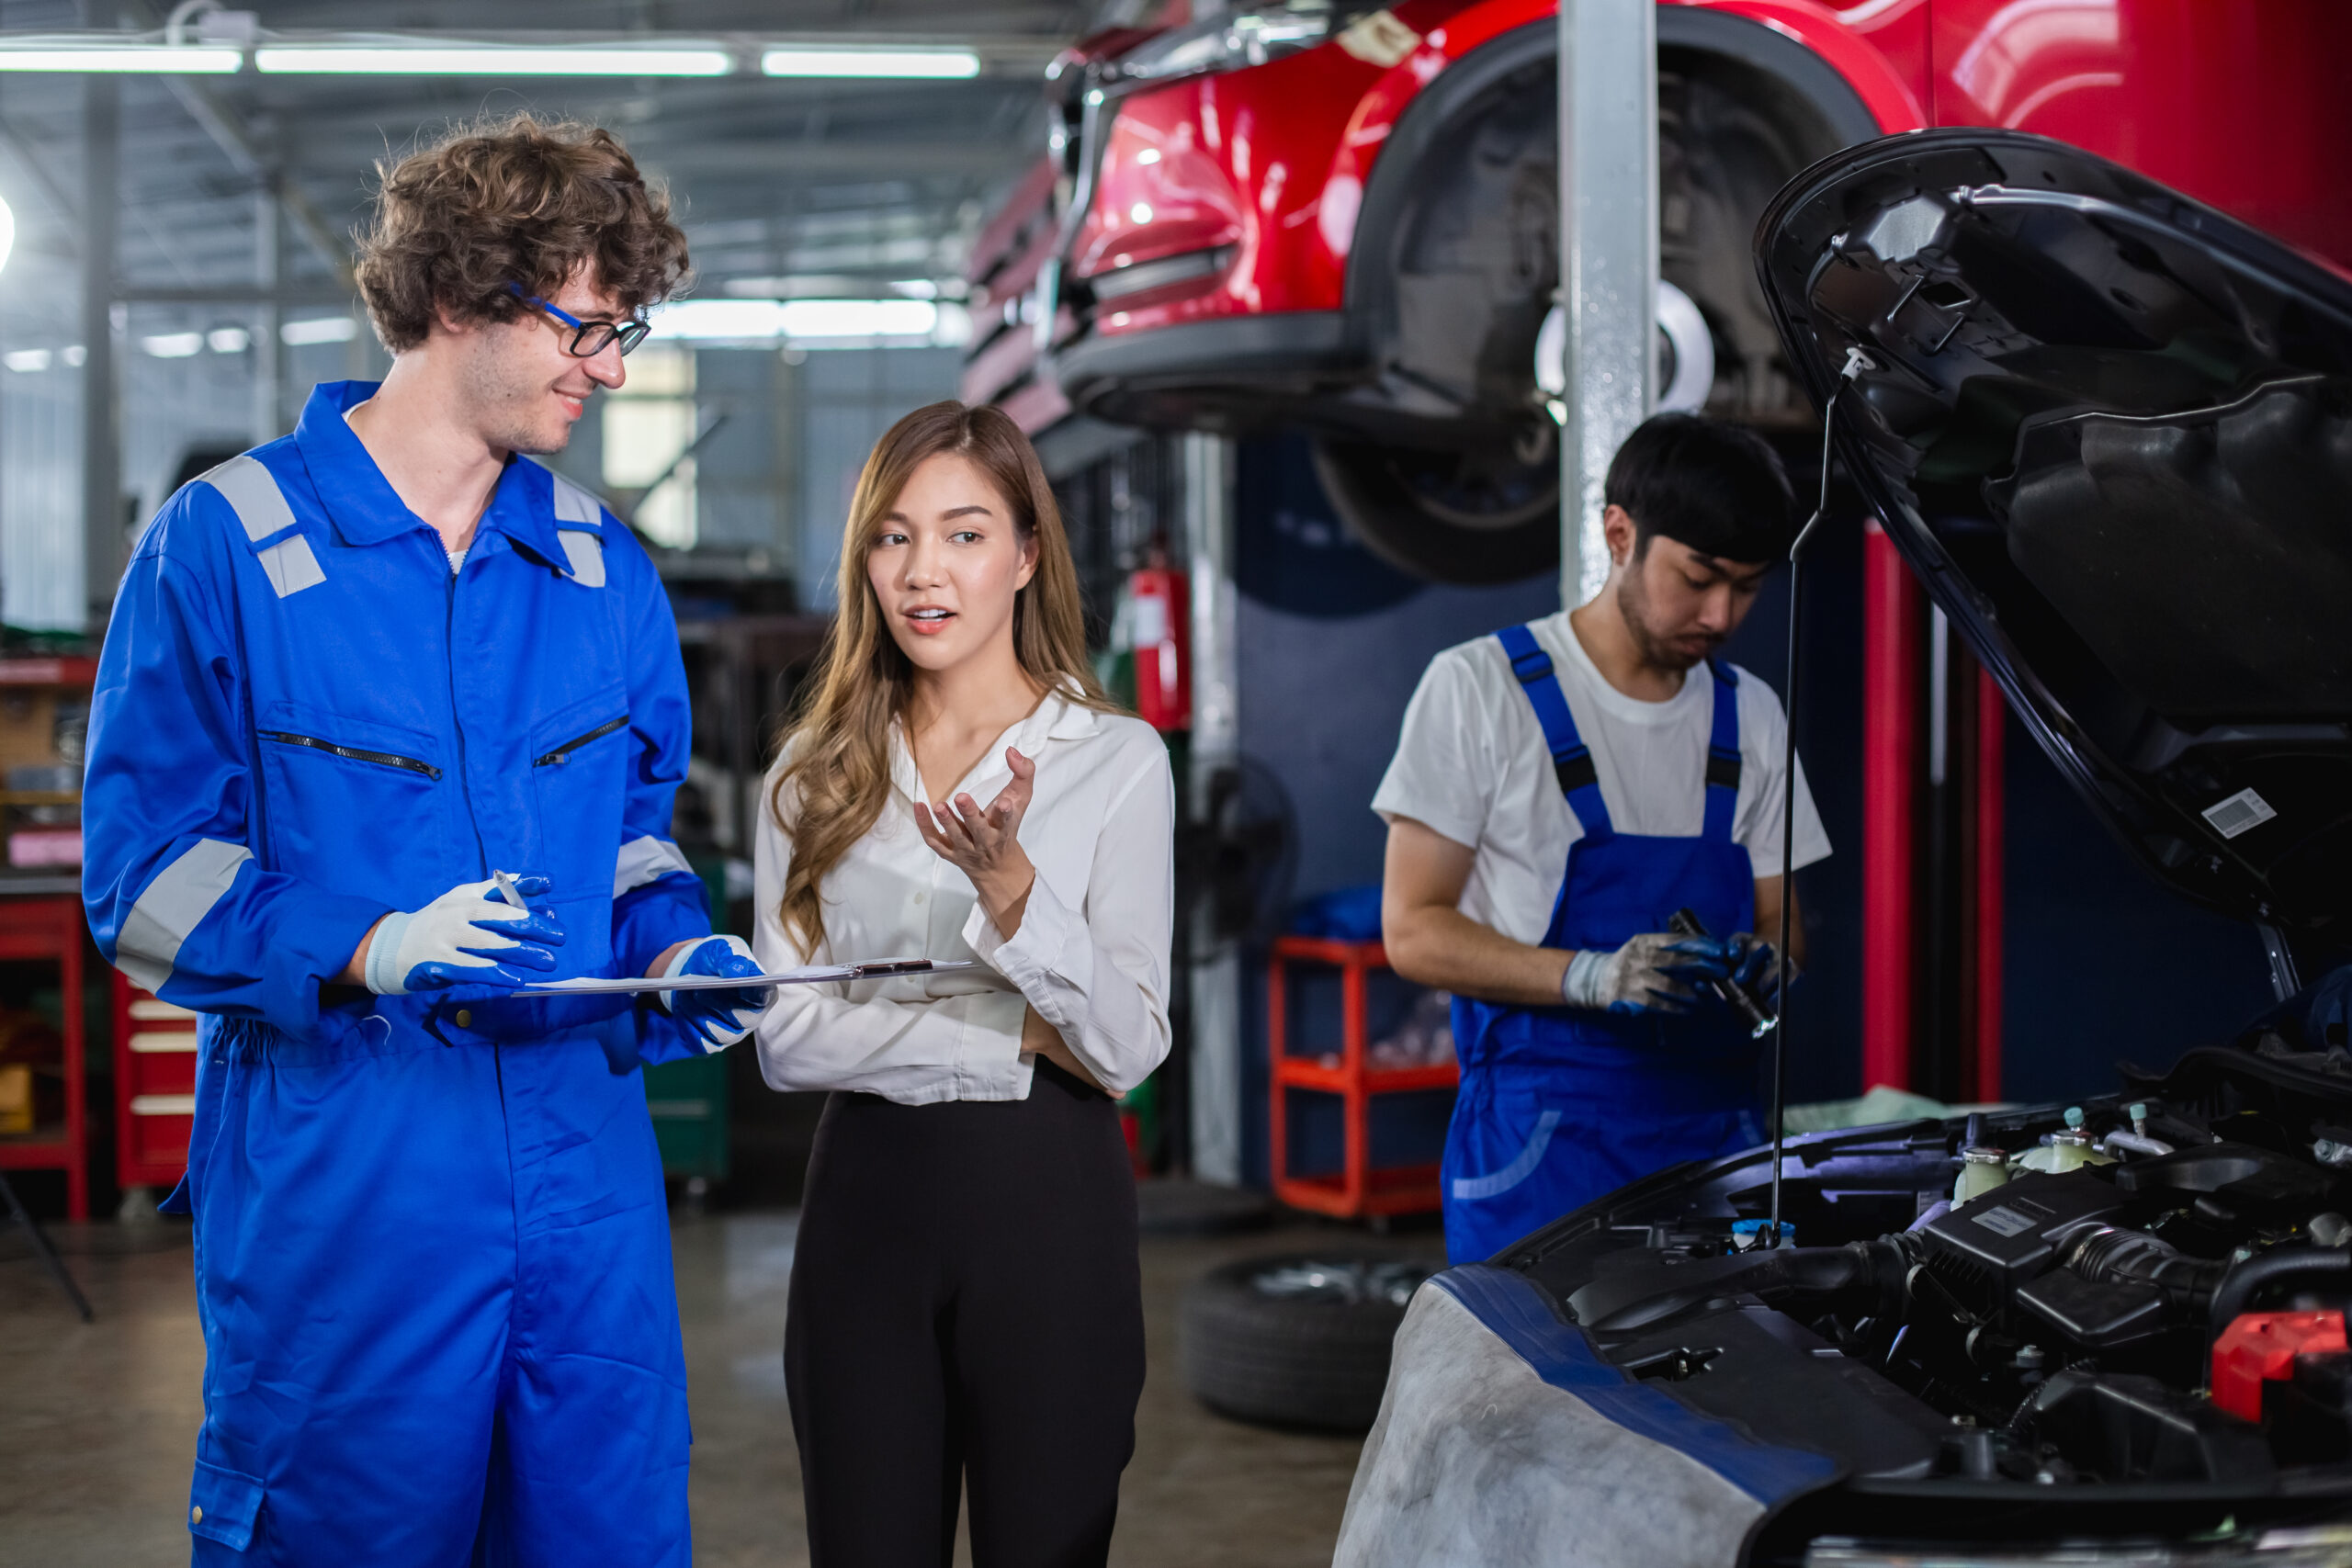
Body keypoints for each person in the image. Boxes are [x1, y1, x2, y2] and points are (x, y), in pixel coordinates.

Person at [80, 115, 771, 1564]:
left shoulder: (597, 565)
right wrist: (362, 943)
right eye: (588, 327)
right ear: (463, 299)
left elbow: (632, 835)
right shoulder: (230, 544)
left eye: (624, 328)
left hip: (585, 1200)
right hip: (353, 1192)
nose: (615, 368)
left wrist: (674, 947)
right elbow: (142, 877)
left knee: (603, 1534)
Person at [753, 400, 1173, 1567]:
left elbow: (1130, 1048)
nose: (923, 572)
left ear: (1027, 553)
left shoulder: (1114, 760)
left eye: (964, 533)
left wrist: (1016, 901)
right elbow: (787, 1038)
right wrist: (1005, 1040)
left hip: (1050, 1217)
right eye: (892, 537)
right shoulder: (812, 772)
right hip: (865, 1215)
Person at [1375, 413, 1830, 1264]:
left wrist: (1769, 964)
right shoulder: (1481, 689)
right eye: (1699, 577)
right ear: (1619, 534)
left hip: (1716, 1147)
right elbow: (1413, 928)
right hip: (1542, 1150)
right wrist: (1591, 975)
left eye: (1749, 587)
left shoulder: (1753, 716)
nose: (1723, 613)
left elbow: (1786, 923)